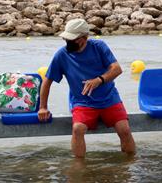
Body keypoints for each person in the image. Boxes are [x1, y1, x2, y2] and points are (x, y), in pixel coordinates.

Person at [38, 18, 135, 158]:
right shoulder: (62, 54)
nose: (68, 43)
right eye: (66, 39)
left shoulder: (99, 46)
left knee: (124, 129)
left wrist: (99, 80)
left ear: (84, 38)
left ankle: (130, 163)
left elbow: (117, 69)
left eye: (73, 40)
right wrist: (43, 107)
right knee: (78, 129)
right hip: (82, 102)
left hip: (109, 99)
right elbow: (47, 81)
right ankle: (79, 166)